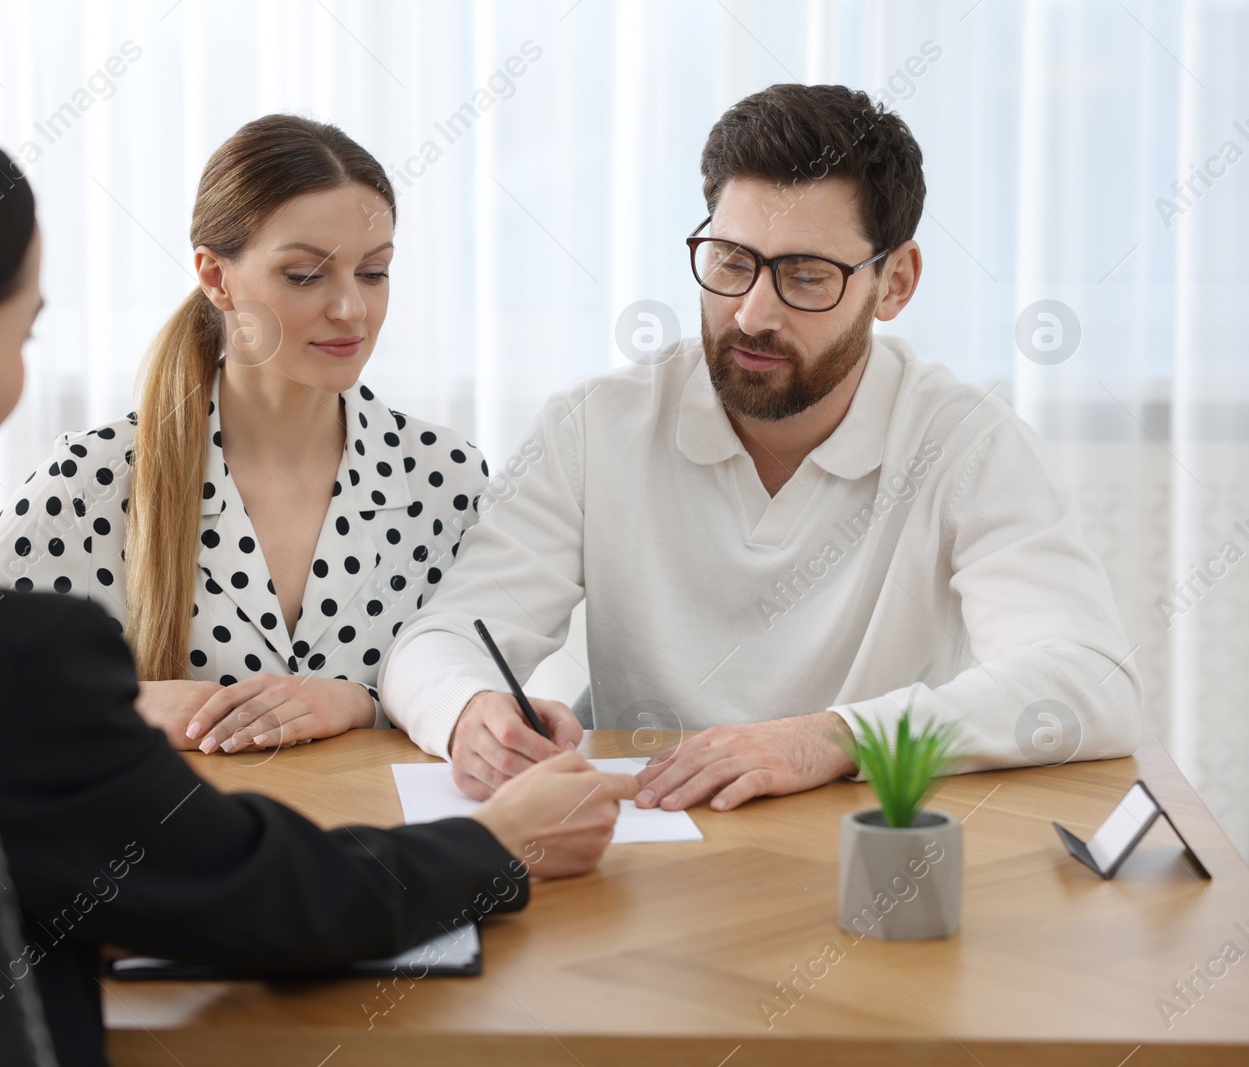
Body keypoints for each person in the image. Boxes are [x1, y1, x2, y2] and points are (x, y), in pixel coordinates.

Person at [0, 95, 636, 1067]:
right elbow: (254, 893)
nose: (349, 305)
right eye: (25, 337)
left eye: (373, 271)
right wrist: (500, 845)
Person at [378, 82, 1142, 811]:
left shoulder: (969, 443)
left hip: (860, 853)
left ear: (896, 283)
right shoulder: (594, 428)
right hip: (648, 854)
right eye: (730, 262)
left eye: (806, 277)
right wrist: (469, 711)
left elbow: (1087, 681)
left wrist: (835, 738)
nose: (750, 314)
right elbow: (439, 639)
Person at [0, 115, 488, 757]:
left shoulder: (449, 479)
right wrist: (120, 704)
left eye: (373, 273)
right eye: (305, 275)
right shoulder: (98, 477)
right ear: (215, 276)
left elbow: (481, 704)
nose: (351, 309)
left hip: (395, 854)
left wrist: (362, 704)